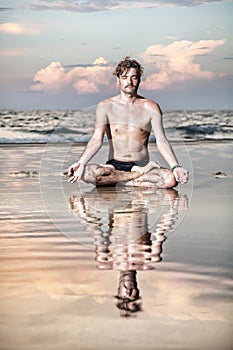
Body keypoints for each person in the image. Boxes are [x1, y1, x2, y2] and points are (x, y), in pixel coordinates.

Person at [68, 57, 188, 188]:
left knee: (170, 179)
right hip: (114, 165)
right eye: (125, 77)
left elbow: (161, 140)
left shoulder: (151, 107)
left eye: (134, 77)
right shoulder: (105, 106)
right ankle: (131, 179)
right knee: (84, 173)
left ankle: (118, 181)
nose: (129, 81)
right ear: (118, 80)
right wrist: (81, 163)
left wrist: (175, 166)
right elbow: (97, 139)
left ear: (139, 79)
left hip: (143, 165)